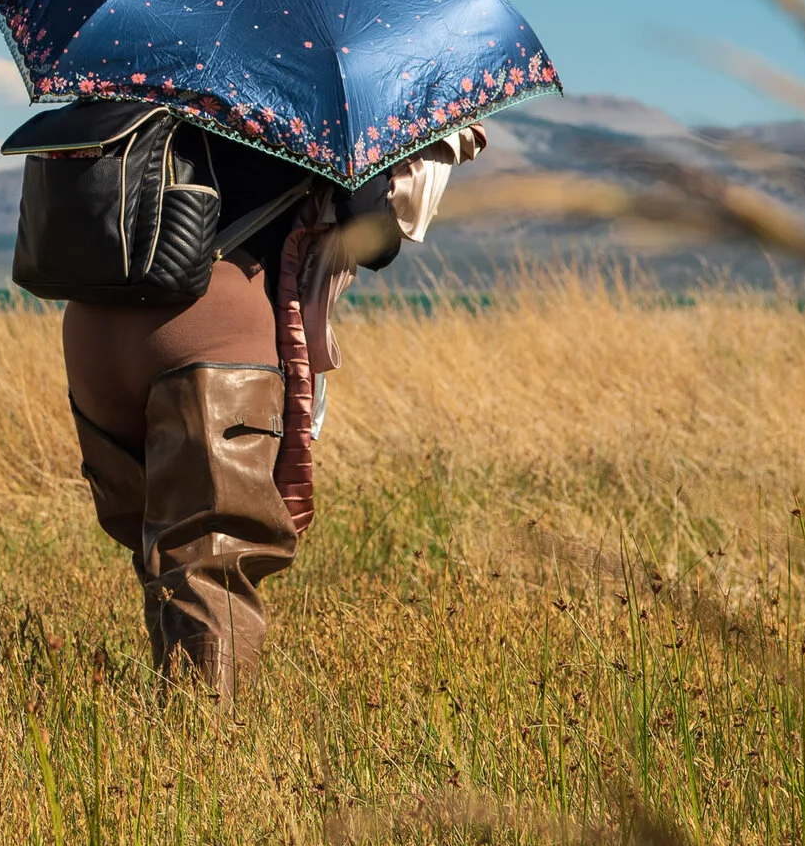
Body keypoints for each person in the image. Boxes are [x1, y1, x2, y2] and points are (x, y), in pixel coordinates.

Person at [63, 124, 487, 695]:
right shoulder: (302, 99)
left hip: (90, 333)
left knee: (160, 552)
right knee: (212, 562)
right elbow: (376, 239)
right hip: (206, 325)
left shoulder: (142, 75)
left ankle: (169, 724)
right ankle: (199, 760)